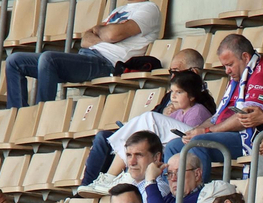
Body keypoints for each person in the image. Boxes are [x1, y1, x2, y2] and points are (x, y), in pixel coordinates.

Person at [4, 0, 160, 107]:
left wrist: (101, 31)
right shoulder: (119, 10)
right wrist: (103, 32)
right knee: (14, 61)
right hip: (86, 57)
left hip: (107, 63)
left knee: (49, 59)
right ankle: (17, 118)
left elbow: (112, 34)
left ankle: (41, 116)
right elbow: (86, 39)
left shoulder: (149, 9)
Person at [161, 33, 263, 173]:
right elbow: (217, 117)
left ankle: (202, 193)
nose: (227, 71)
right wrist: (196, 130)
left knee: (198, 143)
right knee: (173, 146)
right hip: (225, 133)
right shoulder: (239, 76)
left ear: (245, 57)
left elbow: (245, 117)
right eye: (225, 66)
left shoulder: (262, 73)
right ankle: (171, 193)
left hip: (248, 136)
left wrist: (206, 131)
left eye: (230, 65)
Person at [83, 73, 217, 196]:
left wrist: (162, 118)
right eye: (172, 92)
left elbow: (191, 138)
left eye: (179, 92)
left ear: (192, 96)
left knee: (149, 117)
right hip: (174, 145)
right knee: (143, 128)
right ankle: (116, 176)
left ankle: (114, 176)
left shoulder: (198, 111)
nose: (173, 97)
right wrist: (166, 116)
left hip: (190, 144)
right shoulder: (176, 113)